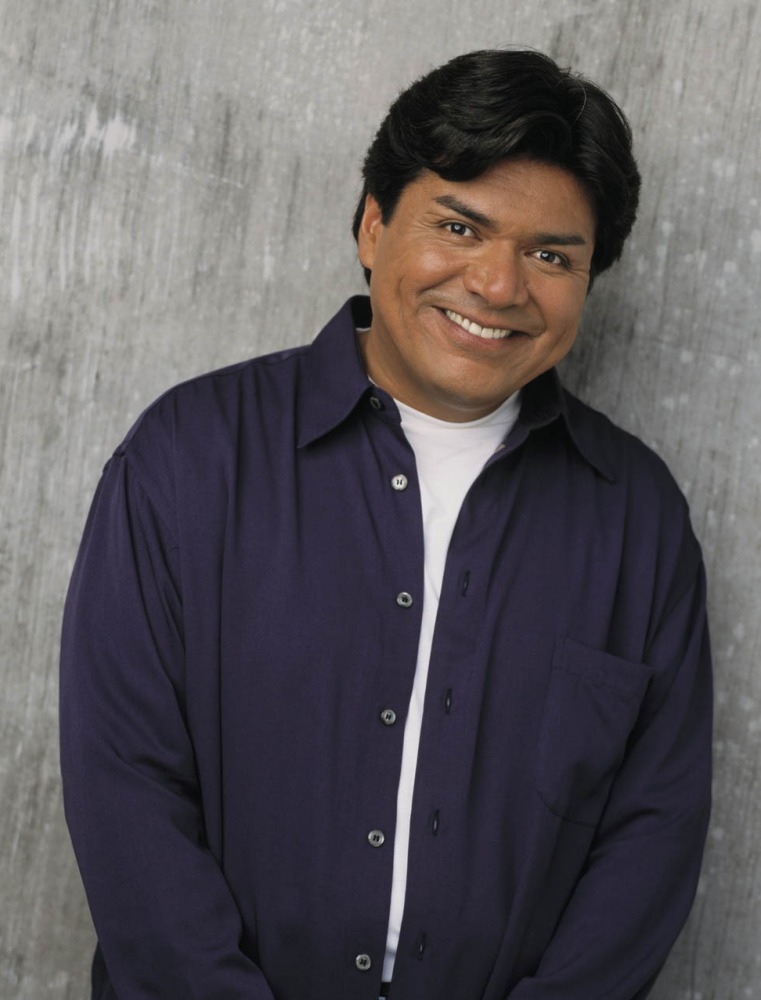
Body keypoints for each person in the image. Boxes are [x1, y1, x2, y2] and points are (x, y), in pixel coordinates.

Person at [60, 49, 712, 1000]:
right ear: (372, 226)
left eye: (550, 256)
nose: (498, 285)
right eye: (459, 226)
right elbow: (125, 791)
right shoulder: (189, 458)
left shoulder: (638, 521)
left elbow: (651, 836)